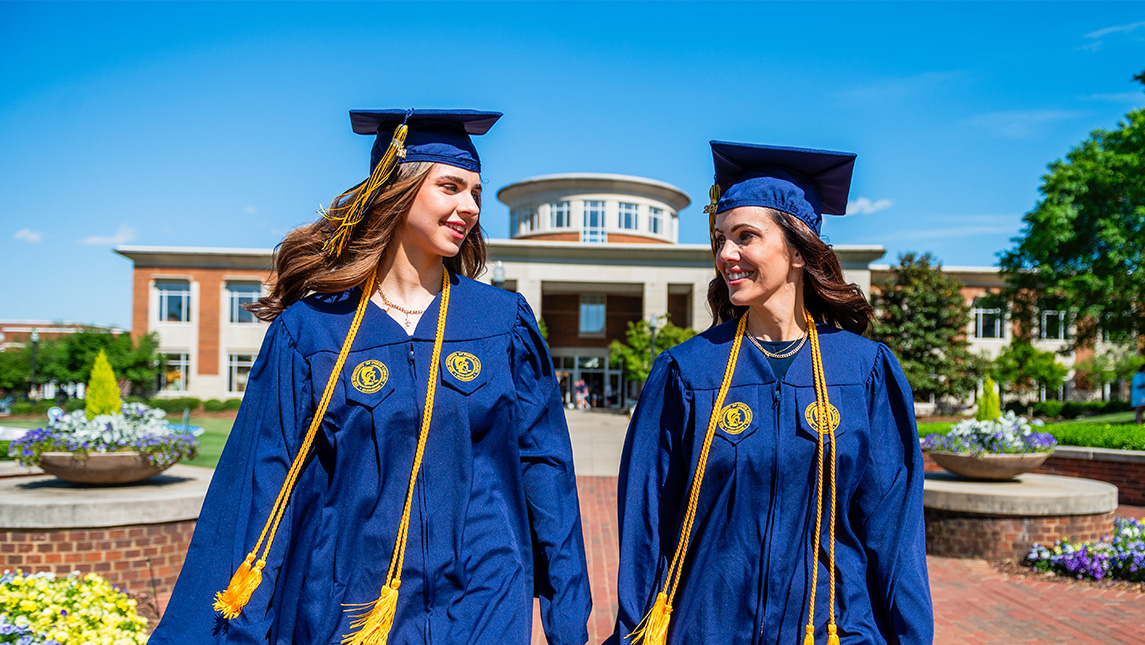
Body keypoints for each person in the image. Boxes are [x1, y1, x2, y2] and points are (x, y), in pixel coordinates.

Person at [151, 109, 591, 645]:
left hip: (485, 593)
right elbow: (264, 484)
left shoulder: (500, 322)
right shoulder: (312, 330)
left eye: (476, 192)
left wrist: (567, 610)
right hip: (348, 601)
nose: (469, 207)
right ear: (396, 189)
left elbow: (544, 463)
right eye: (450, 187)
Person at [608, 142, 933, 645]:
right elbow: (647, 522)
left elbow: (894, 532)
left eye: (746, 237)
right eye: (720, 239)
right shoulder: (687, 371)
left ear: (799, 251)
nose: (726, 255)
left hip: (832, 627)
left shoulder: (864, 370)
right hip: (708, 628)